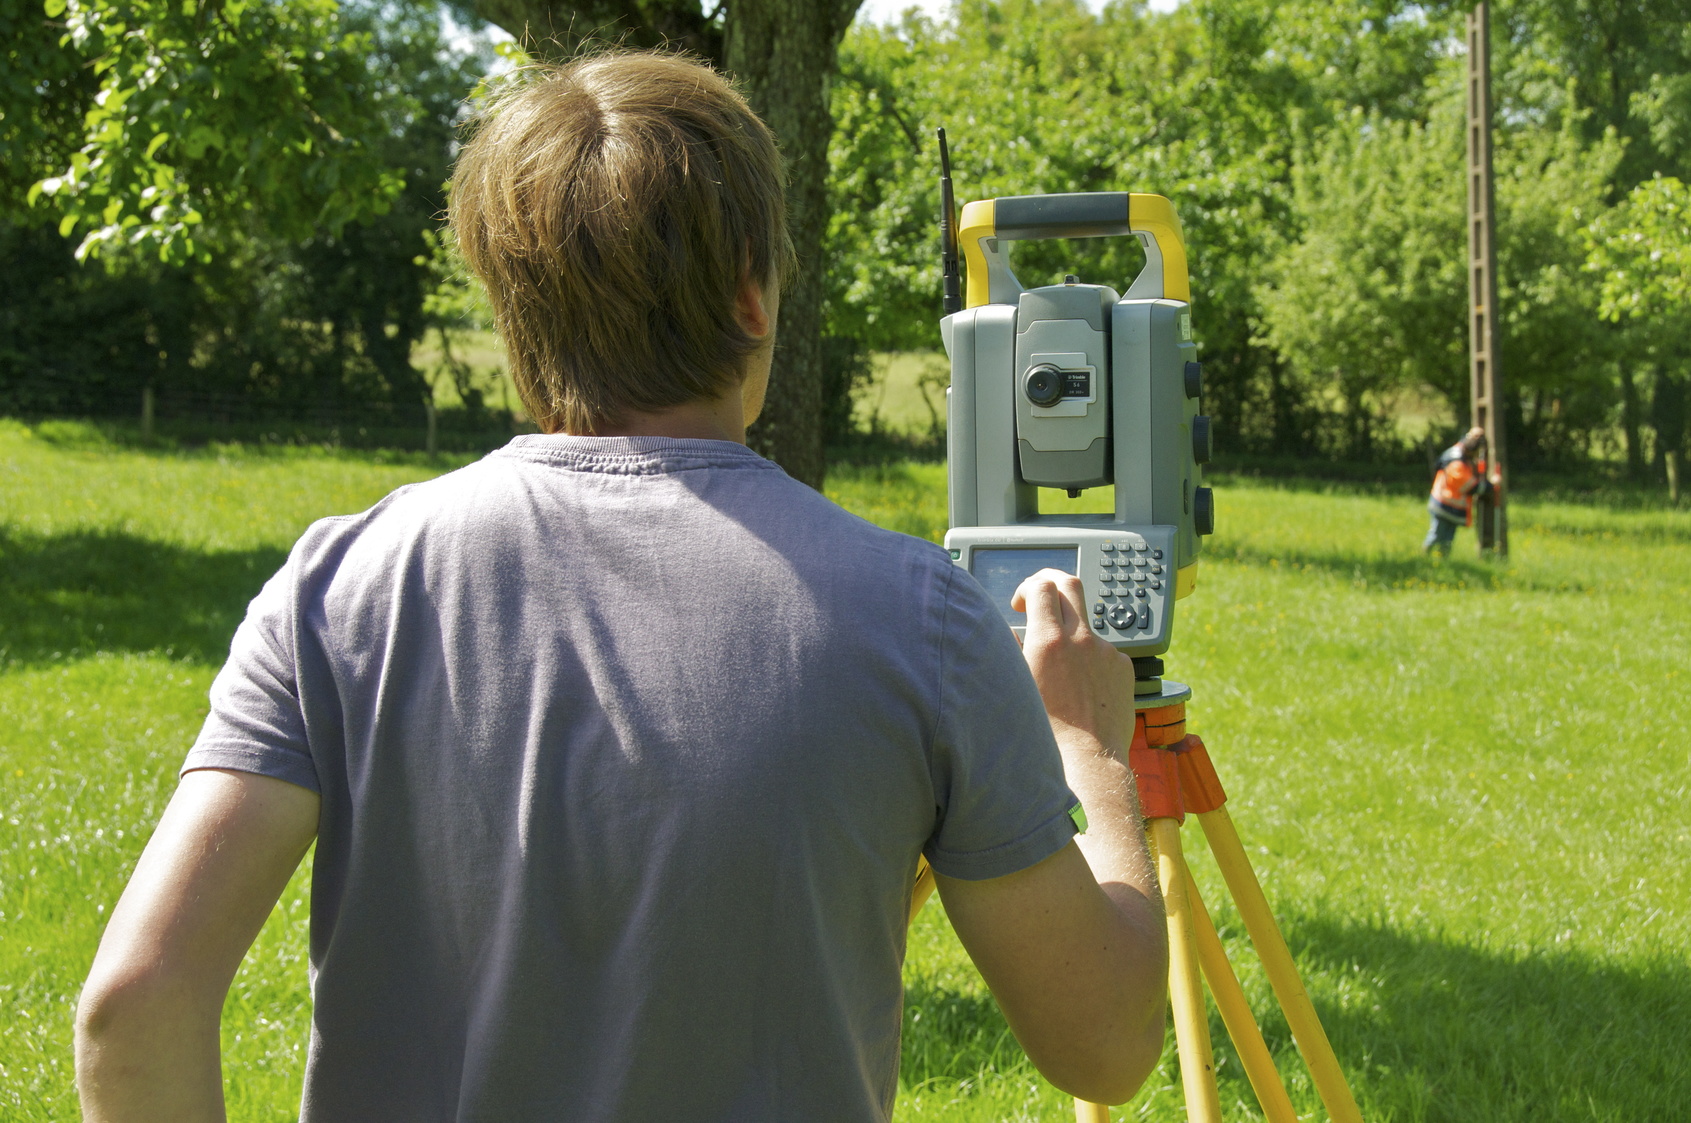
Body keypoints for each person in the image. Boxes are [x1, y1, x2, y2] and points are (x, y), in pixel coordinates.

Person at [73, 52, 1167, 1122]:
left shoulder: (340, 584)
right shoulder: (918, 619)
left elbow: (133, 1006)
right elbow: (1105, 1046)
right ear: (751, 295)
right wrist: (1092, 757)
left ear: (513, 309)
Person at [1424, 425, 1501, 555]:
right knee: (1436, 536)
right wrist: (1492, 484)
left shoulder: (1458, 451)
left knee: (1447, 541)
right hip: (1444, 505)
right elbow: (1472, 487)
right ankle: (1425, 557)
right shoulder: (1457, 463)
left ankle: (1442, 561)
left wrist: (1474, 434)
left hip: (1450, 508)